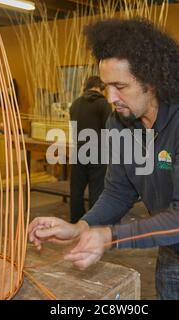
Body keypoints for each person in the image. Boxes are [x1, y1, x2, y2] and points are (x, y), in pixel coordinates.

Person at [28, 18, 179, 300]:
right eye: (106, 86)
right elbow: (118, 191)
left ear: (152, 81)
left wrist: (109, 236)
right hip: (174, 247)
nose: (111, 97)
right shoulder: (121, 121)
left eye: (120, 86)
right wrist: (82, 227)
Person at [69, 76, 112, 223]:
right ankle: (92, 222)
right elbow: (109, 129)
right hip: (98, 153)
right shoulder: (103, 104)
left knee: (76, 190)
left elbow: (73, 129)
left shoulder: (75, 104)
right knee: (97, 190)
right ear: (100, 88)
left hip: (79, 151)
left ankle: (76, 221)